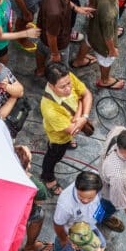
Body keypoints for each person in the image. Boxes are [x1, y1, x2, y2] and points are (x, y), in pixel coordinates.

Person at [40, 62, 93, 194]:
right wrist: (81, 110)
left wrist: (82, 116)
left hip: (71, 124)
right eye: (63, 87)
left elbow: (87, 94)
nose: (68, 88)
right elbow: (74, 129)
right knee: (54, 156)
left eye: (69, 83)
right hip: (59, 137)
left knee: (66, 141)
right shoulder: (49, 108)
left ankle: (69, 141)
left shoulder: (67, 76)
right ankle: (48, 177)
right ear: (51, 86)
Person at [34, 0, 92, 75]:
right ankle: (55, 84)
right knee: (60, 70)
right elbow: (51, 36)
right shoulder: (55, 12)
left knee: (41, 49)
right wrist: (55, 53)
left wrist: (76, 8)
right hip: (59, 43)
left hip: (44, 33)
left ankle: (40, 70)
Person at [98, 127, 126, 232]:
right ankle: (103, 218)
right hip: (109, 190)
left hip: (105, 170)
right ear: (122, 152)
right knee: (107, 207)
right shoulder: (118, 174)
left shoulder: (119, 130)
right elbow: (117, 197)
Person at [87, 0, 124, 90]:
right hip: (102, 44)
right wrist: (112, 50)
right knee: (107, 61)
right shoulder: (109, 13)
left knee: (87, 41)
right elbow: (108, 38)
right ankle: (104, 80)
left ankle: (79, 60)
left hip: (92, 30)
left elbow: (94, 4)